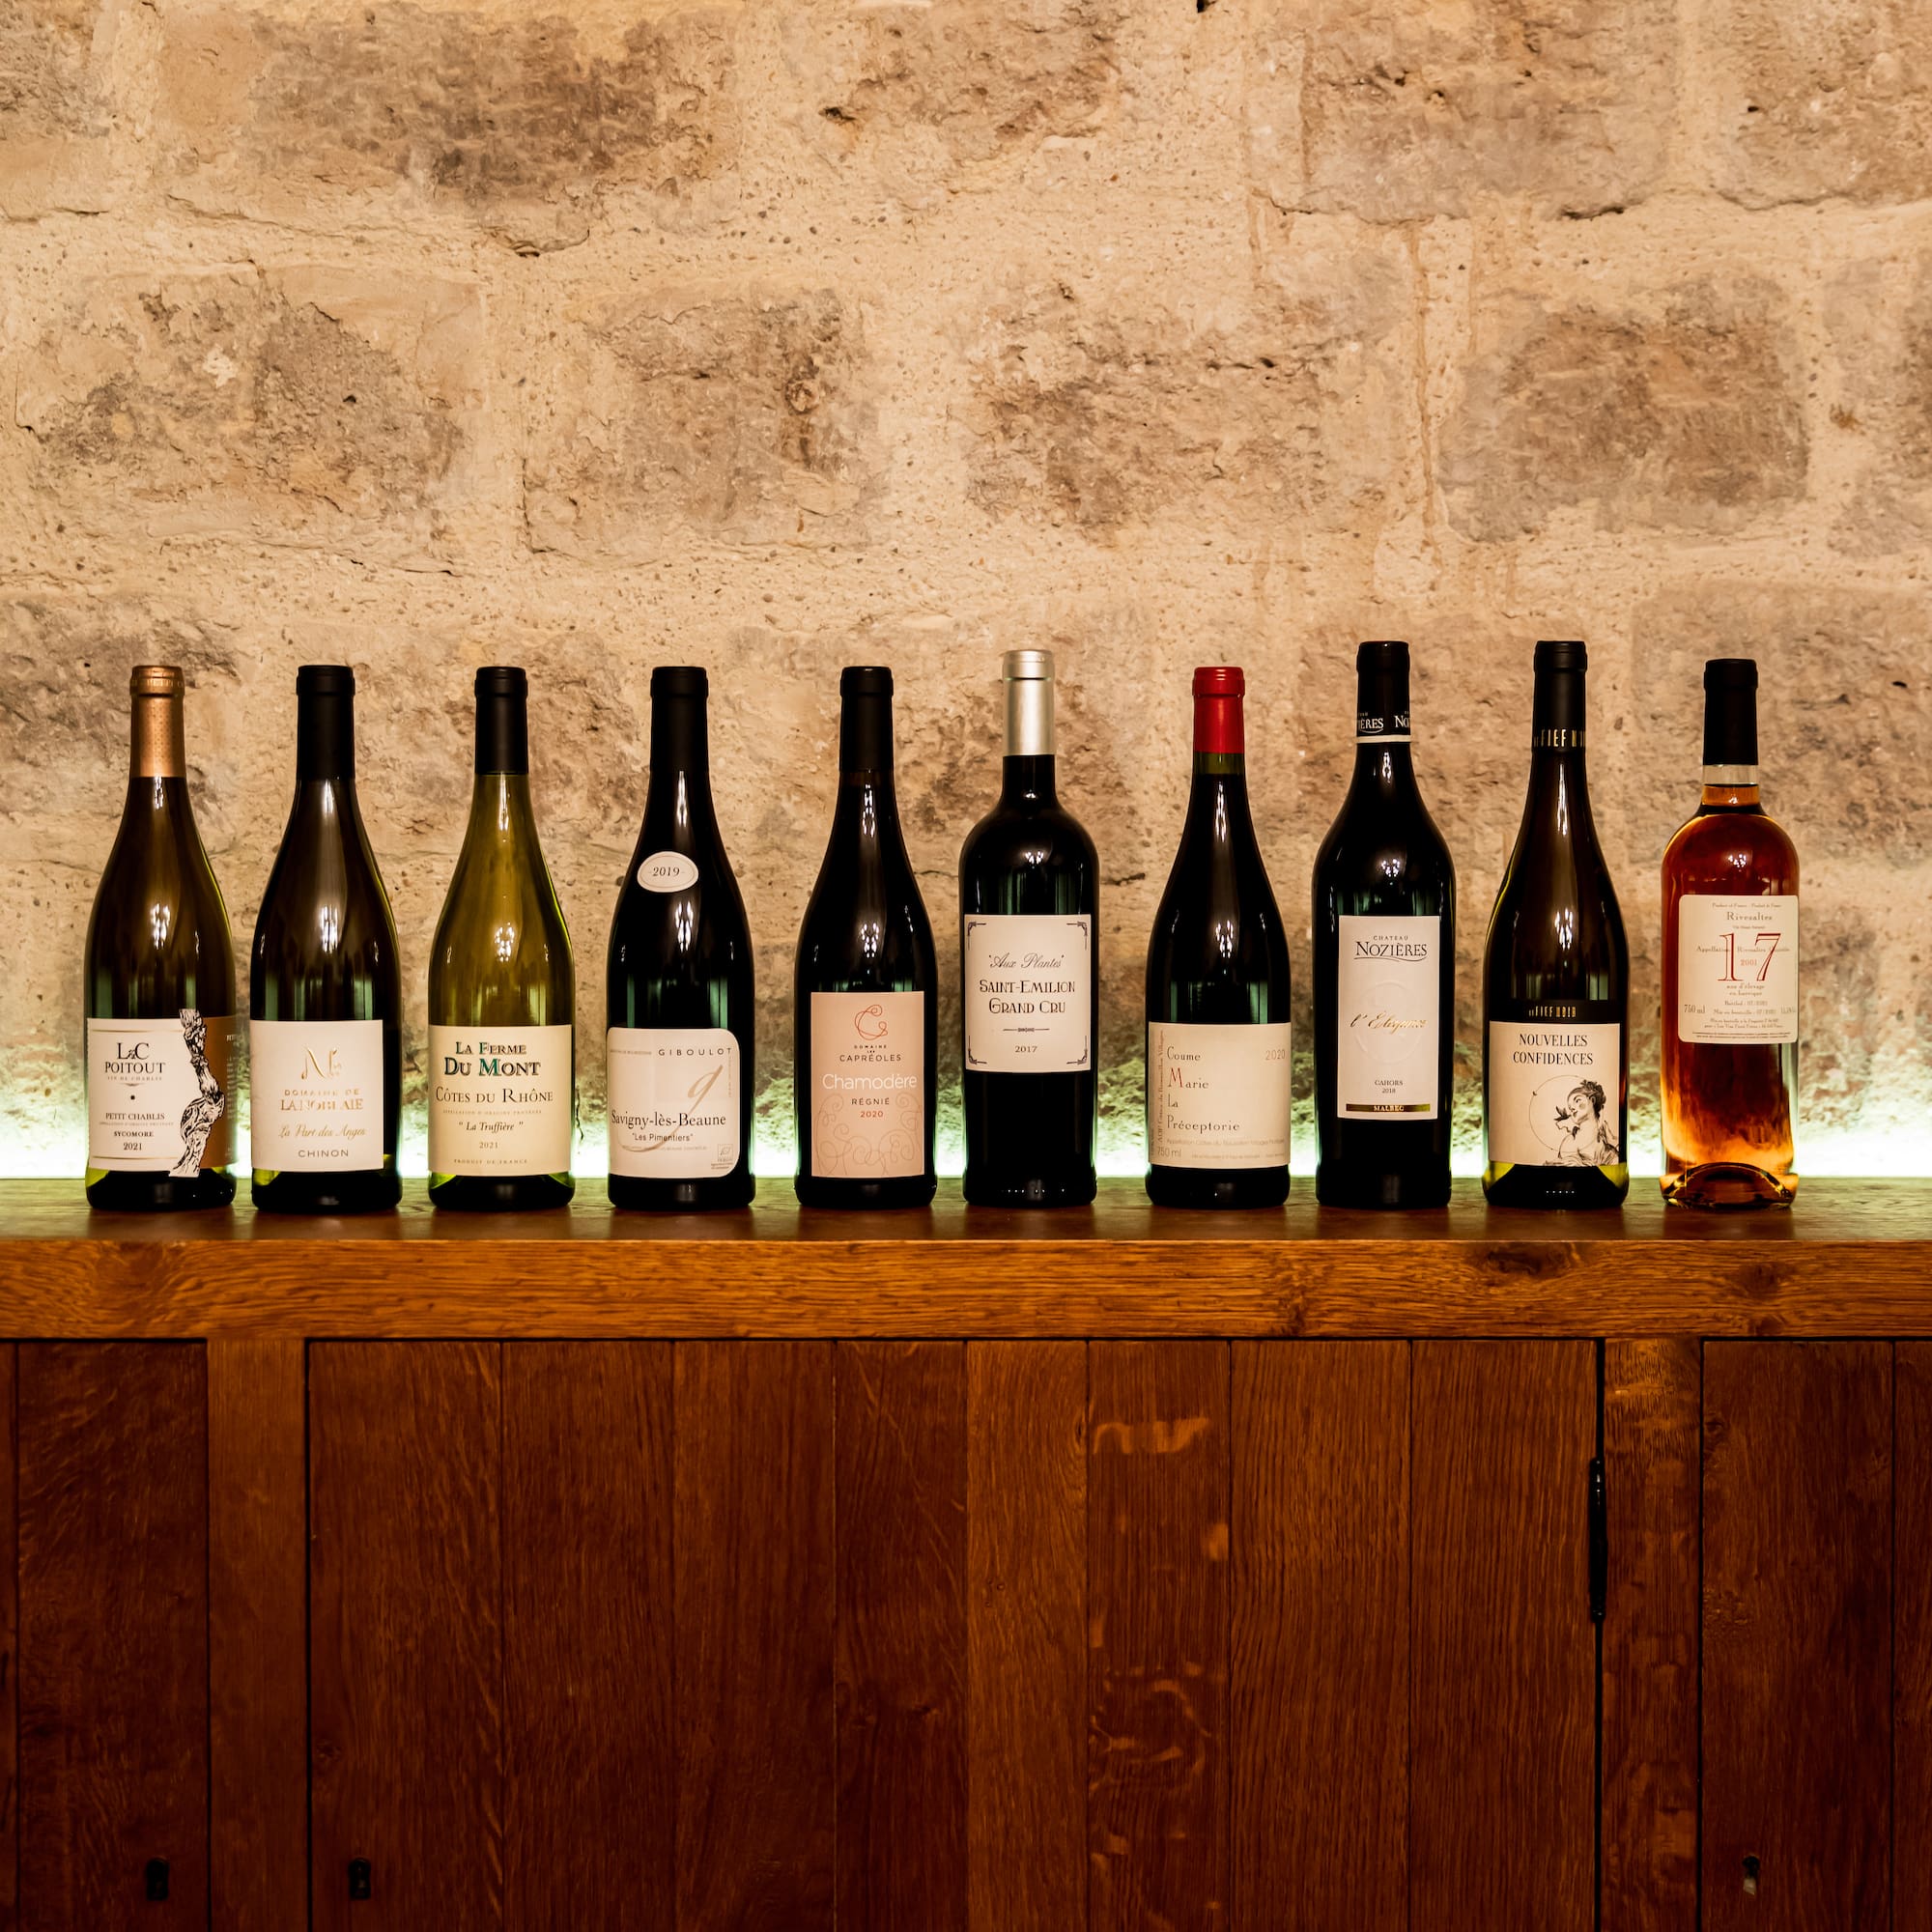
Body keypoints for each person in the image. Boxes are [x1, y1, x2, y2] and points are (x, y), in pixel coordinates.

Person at [1553, 1078, 1618, 1166]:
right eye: (1570, 1107)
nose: (1572, 1108)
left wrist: (1614, 1142)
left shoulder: (1608, 1139)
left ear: (1592, 1100)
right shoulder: (1570, 1141)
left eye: (1577, 1101)